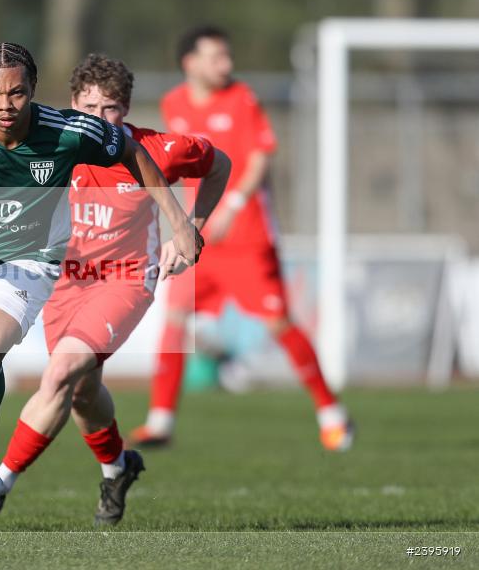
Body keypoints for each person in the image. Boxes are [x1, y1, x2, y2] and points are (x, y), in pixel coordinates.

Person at [0, 43, 204, 521]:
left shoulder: (68, 132)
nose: (6, 105)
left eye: (17, 93)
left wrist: (181, 222)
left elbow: (136, 153)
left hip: (35, 263)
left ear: (33, 91)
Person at [0, 53, 231, 532]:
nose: (100, 119)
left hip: (125, 279)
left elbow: (219, 164)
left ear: (126, 110)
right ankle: (118, 469)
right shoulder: (54, 146)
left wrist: (191, 229)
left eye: (112, 109)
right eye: (90, 108)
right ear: (72, 103)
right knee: (81, 393)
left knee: (59, 374)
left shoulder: (157, 150)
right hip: (61, 281)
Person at [130, 25, 354, 452]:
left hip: (248, 237)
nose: (226, 65)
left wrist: (232, 206)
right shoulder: (173, 103)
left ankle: (331, 413)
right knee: (176, 320)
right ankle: (160, 420)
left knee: (278, 322)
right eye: (217, 57)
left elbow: (260, 156)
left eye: (227, 57)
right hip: (200, 235)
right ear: (190, 63)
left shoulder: (241, 98)